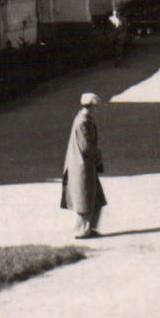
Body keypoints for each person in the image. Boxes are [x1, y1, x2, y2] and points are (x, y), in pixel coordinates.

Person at [61, 92, 106, 238]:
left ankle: (88, 228)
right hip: (83, 166)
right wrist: (98, 155)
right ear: (91, 106)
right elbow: (86, 147)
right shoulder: (83, 122)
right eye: (95, 106)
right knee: (84, 198)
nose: (96, 109)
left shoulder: (84, 119)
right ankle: (82, 231)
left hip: (85, 165)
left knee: (95, 198)